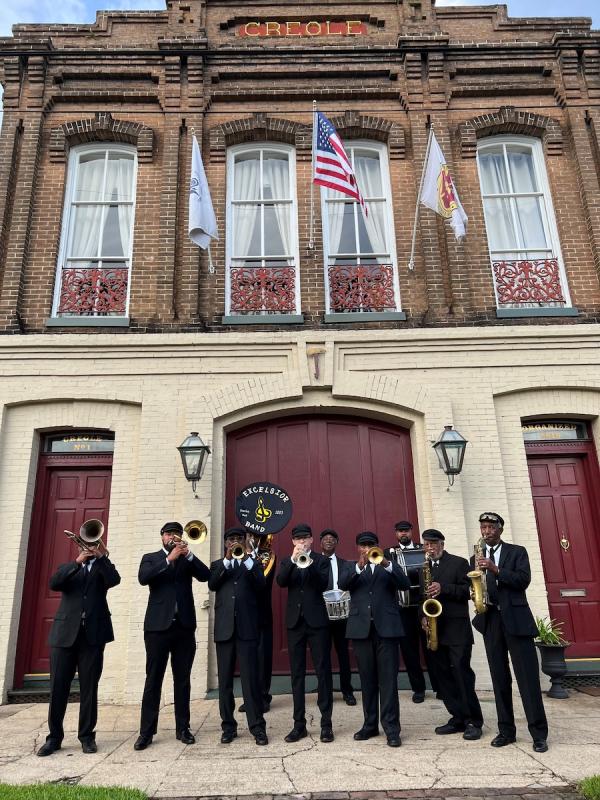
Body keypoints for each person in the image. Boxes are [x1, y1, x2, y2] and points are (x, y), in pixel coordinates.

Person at [472, 512, 549, 752]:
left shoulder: (517, 552)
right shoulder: (476, 557)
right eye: (483, 527)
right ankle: (506, 731)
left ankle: (538, 734)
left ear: (500, 529)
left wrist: (495, 569)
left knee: (527, 679)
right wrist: (474, 591)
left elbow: (523, 580)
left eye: (491, 527)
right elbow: (473, 584)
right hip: (491, 620)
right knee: (499, 678)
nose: (486, 531)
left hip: (517, 620)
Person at [37, 540, 120, 756]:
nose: (88, 548)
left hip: (92, 636)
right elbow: (54, 583)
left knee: (89, 688)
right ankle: (54, 738)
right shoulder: (67, 567)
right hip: (64, 635)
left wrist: (101, 557)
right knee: (58, 688)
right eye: (85, 545)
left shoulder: (102, 567)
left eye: (93, 545)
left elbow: (114, 579)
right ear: (78, 547)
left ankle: (87, 737)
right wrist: (77, 562)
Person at [134, 521, 210, 750]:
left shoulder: (186, 559)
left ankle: (183, 728)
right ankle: (146, 732)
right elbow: (144, 578)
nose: (173, 537)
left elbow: (206, 575)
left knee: (183, 680)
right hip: (157, 628)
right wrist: (169, 559)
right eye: (169, 534)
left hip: (184, 627)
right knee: (153, 680)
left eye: (176, 534)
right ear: (162, 537)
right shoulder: (151, 558)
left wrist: (188, 555)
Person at [339, 531, 410, 748]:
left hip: (386, 630)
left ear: (378, 546)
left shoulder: (388, 565)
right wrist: (359, 567)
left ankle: (391, 728)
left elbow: (404, 584)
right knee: (367, 680)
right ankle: (370, 725)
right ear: (357, 548)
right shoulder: (351, 567)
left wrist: (386, 564)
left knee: (388, 681)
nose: (367, 548)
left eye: (370, 545)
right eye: (363, 545)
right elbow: (343, 584)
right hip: (361, 630)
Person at [420, 529, 483, 741]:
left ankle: (474, 721)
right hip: (435, 629)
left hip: (457, 629)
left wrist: (444, 588)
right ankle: (457, 717)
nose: (430, 548)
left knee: (462, 674)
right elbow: (422, 597)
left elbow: (469, 592)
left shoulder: (458, 563)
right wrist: (422, 616)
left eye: (433, 544)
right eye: (426, 544)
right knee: (443, 677)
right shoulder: (424, 568)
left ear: (442, 544)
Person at [209, 528, 268, 745]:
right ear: (225, 543)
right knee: (225, 682)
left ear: (244, 541)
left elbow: (261, 585)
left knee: (250, 681)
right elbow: (212, 584)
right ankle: (228, 727)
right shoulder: (218, 565)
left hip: (247, 629)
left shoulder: (253, 564)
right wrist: (227, 560)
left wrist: (248, 560)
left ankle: (257, 727)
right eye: (231, 539)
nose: (235, 542)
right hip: (225, 630)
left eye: (238, 539)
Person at [276, 523, 334, 743]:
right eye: (298, 538)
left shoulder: (321, 560)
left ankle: (326, 725)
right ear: (293, 541)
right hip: (295, 623)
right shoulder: (287, 561)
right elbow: (281, 581)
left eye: (305, 538)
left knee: (323, 672)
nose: (302, 541)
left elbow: (322, 583)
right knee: (297, 674)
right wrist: (294, 560)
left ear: (311, 540)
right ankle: (298, 724)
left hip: (317, 622)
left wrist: (307, 563)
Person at [385, 520, 427, 703]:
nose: (403, 534)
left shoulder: (422, 549)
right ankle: (418, 689)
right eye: (400, 531)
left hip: (423, 606)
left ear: (411, 531)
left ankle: (441, 687)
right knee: (409, 651)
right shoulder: (388, 553)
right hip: (402, 609)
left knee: (431, 648)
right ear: (396, 533)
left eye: (406, 531)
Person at [320, 528, 356, 706]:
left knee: (343, 654)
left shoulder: (345, 564)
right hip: (321, 615)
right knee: (323, 655)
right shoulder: (314, 562)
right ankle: (325, 693)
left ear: (337, 543)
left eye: (332, 538)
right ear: (320, 542)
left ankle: (347, 691)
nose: (329, 540)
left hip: (341, 614)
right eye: (325, 538)